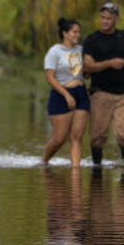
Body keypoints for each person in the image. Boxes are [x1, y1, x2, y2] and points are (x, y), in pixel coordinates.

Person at [82, 2, 124, 165]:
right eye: (103, 18)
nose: (105, 21)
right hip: (100, 94)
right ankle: (97, 170)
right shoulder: (92, 40)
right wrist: (110, 63)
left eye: (109, 18)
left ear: (116, 19)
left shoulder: (123, 36)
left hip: (122, 94)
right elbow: (86, 67)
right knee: (97, 136)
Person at [42, 17, 89, 168]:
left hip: (81, 93)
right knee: (59, 138)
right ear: (65, 33)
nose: (78, 34)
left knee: (77, 137)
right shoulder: (54, 51)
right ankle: (44, 161)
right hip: (61, 95)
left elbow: (85, 73)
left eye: (78, 32)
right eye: (74, 32)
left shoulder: (81, 51)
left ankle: (75, 171)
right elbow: (49, 77)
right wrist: (66, 94)